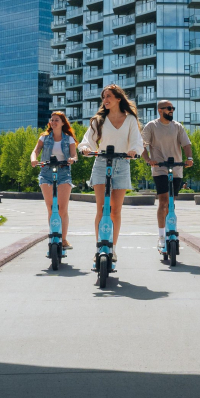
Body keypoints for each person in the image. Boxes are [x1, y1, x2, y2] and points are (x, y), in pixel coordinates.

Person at [78, 84, 143, 272]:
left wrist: (134, 151)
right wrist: (85, 148)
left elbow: (138, 143)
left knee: (115, 211)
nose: (105, 100)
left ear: (118, 98)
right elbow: (87, 140)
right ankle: (99, 248)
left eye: (108, 96)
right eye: (103, 97)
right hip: (101, 163)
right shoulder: (99, 120)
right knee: (101, 208)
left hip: (122, 164)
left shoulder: (130, 119)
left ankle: (112, 249)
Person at [141, 99, 193, 254]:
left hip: (176, 169)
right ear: (160, 110)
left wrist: (189, 159)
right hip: (160, 169)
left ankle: (172, 230)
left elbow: (186, 145)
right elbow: (142, 145)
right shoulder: (151, 126)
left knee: (171, 203)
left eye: (172, 108)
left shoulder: (177, 127)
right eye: (168, 108)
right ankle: (162, 236)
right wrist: (149, 160)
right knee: (163, 202)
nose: (171, 111)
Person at [30, 110, 78, 252]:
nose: (54, 122)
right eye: (52, 120)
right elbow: (36, 150)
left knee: (62, 209)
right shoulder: (44, 137)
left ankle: (63, 239)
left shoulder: (68, 138)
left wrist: (72, 159)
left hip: (63, 173)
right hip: (46, 172)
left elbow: (74, 155)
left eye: (57, 120)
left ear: (63, 123)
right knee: (51, 208)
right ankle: (52, 236)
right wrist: (34, 159)